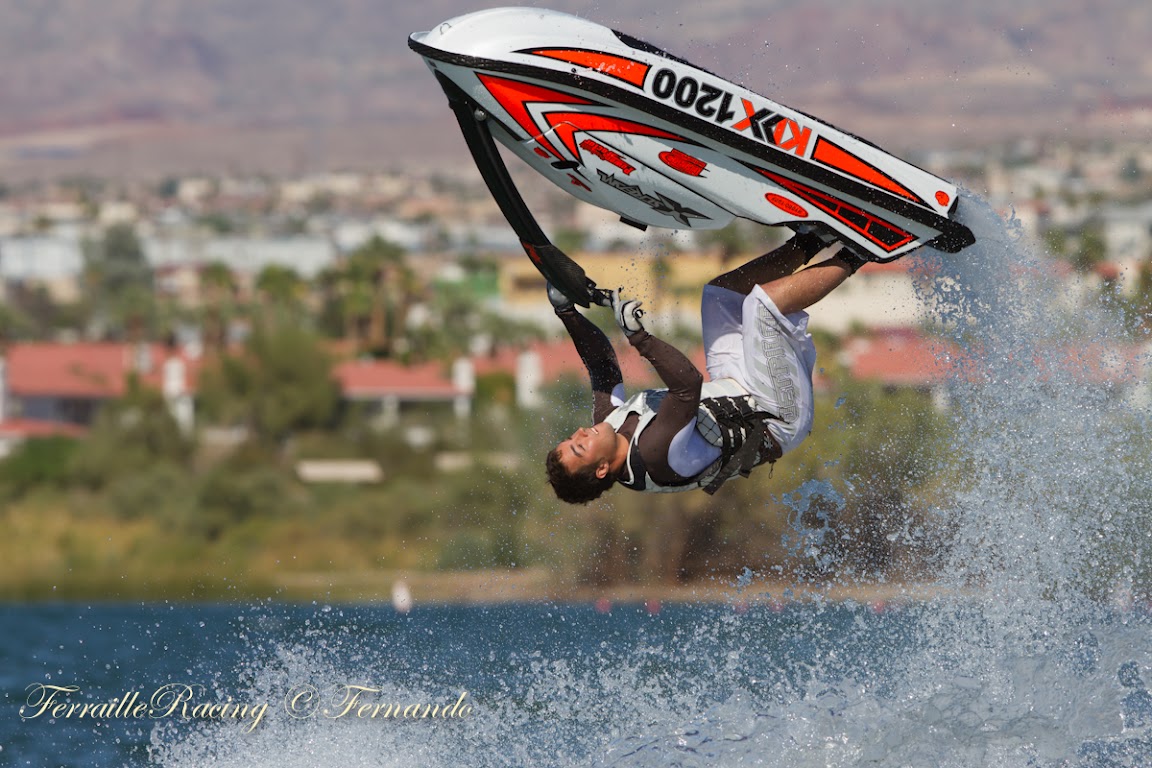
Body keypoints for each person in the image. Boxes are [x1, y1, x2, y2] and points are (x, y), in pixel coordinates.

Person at [545, 231, 867, 504]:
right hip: (778, 417)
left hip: (739, 386)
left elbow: (602, 365)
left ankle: (813, 239)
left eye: (571, 438)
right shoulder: (653, 454)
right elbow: (687, 384)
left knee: (718, 296)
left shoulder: (607, 424)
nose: (581, 432)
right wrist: (638, 337)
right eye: (579, 446)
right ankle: (861, 251)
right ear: (602, 469)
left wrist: (566, 312)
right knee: (761, 306)